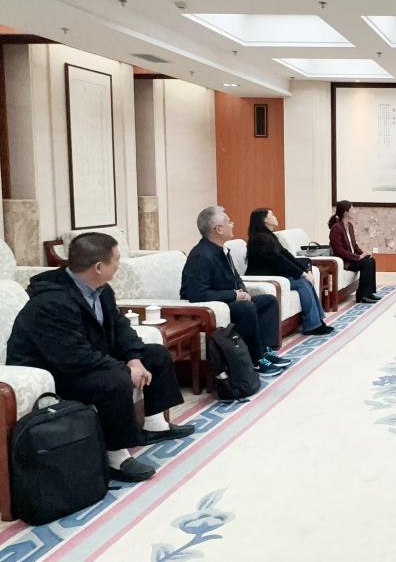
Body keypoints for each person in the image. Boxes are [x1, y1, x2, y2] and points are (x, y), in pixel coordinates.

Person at [6, 233, 195, 482]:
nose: (119, 264)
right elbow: (72, 356)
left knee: (154, 354)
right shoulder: (51, 302)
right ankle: (115, 457)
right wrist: (125, 370)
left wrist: (134, 359)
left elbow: (120, 327)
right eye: (116, 259)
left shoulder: (101, 289)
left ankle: (154, 425)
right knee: (114, 380)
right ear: (98, 267)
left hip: (85, 357)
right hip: (54, 371)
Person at [181, 206, 292, 376]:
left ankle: (264, 350)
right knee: (246, 308)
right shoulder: (201, 256)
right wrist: (234, 295)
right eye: (228, 222)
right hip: (210, 309)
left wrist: (243, 292)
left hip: (226, 302)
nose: (232, 224)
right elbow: (198, 294)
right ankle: (256, 360)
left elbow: (236, 278)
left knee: (269, 301)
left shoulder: (222, 250)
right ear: (219, 229)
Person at [247, 208, 333, 335]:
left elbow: (286, 255)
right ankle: (312, 325)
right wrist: (302, 274)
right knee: (302, 282)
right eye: (272, 215)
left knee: (305, 281)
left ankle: (318, 322)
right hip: (266, 278)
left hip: (276, 275)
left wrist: (304, 271)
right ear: (264, 219)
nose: (275, 217)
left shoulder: (269, 236)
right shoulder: (260, 239)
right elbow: (279, 260)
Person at [329, 200, 380, 304]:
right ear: (345, 212)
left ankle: (369, 293)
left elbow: (354, 246)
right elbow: (339, 251)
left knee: (371, 260)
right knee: (367, 263)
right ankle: (362, 296)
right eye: (352, 209)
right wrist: (358, 257)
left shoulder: (350, 226)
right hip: (345, 261)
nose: (354, 211)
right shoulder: (336, 228)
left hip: (352, 259)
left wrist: (363, 254)